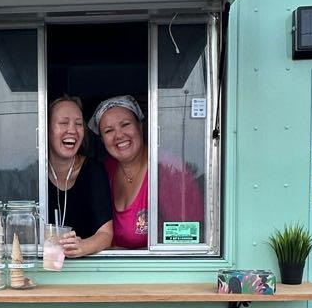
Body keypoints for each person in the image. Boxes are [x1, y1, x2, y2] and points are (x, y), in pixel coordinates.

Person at [90, 95, 204, 249]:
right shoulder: (105, 170)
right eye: (109, 130)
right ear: (103, 140)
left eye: (125, 124)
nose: (118, 135)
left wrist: (130, 256)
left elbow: (187, 242)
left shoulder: (170, 171)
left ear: (140, 126)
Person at [45, 96, 113, 257]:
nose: (72, 130)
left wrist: (82, 247)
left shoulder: (93, 171)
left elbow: (106, 234)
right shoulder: (34, 172)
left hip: (86, 273)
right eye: (63, 123)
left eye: (78, 124)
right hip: (43, 270)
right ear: (46, 129)